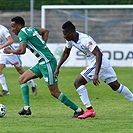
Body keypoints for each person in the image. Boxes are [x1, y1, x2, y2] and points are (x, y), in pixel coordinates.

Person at [4, 16, 83, 117]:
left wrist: (9, 51)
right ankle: (26, 108)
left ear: (19, 26)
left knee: (54, 92)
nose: (12, 29)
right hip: (42, 62)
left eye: (13, 27)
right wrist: (42, 44)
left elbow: (22, 50)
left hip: (48, 62)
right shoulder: (31, 29)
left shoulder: (22, 33)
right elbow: (45, 31)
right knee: (22, 79)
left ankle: (78, 110)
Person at [54, 21, 133, 119]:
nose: (64, 36)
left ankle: (89, 110)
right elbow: (66, 53)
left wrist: (96, 74)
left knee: (78, 83)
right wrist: (58, 68)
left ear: (70, 32)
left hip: (98, 62)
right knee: (116, 86)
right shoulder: (70, 40)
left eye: (65, 34)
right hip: (102, 63)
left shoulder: (85, 39)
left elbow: (98, 54)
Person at [0, 24, 37, 96]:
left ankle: (33, 84)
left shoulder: (3, 30)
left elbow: (10, 41)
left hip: (9, 52)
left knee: (20, 71)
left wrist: (2, 46)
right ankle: (5, 90)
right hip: (1, 53)